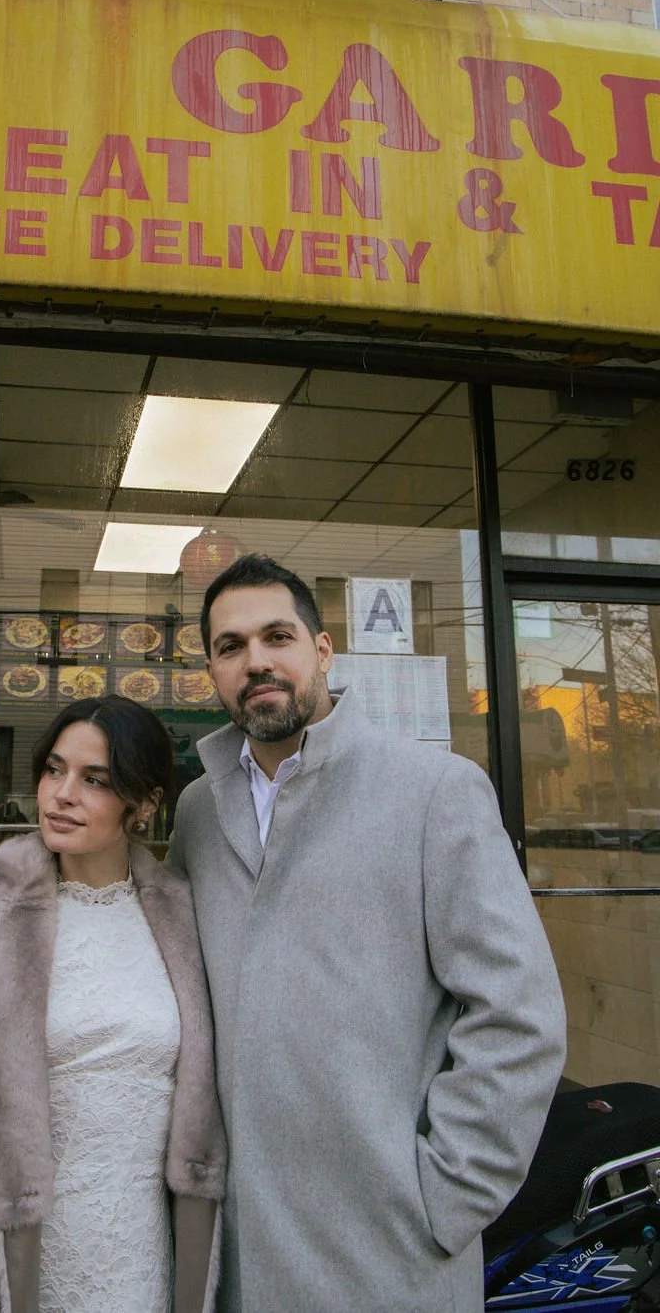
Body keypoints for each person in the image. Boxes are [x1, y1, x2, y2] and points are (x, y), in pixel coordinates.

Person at [167, 553, 567, 1313]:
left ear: (321, 652)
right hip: (242, 1251)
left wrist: (444, 1197)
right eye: (230, 646)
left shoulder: (434, 793)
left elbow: (519, 1015)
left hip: (389, 1254)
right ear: (213, 671)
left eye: (277, 636)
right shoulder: (196, 810)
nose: (256, 662)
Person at [0, 696, 225, 1313]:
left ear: (143, 805)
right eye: (53, 770)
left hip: (148, 1264)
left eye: (95, 780)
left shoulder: (193, 925)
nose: (61, 794)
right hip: (23, 1270)